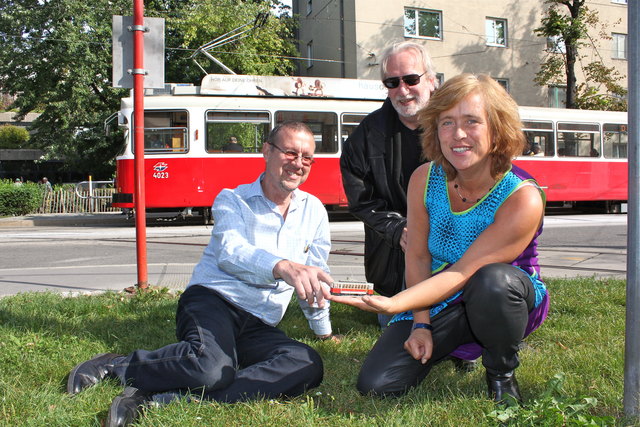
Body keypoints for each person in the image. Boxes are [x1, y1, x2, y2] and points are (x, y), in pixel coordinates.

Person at [66, 122, 336, 426]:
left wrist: (322, 329)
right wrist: (283, 266)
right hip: (213, 301)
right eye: (290, 152)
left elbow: (315, 275)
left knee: (306, 364)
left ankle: (161, 396)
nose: (298, 164)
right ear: (266, 152)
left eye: (307, 157)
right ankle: (117, 365)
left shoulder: (315, 211)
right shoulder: (232, 199)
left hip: (260, 321)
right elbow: (232, 252)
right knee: (210, 367)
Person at [331, 74, 549, 405]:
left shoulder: (522, 196)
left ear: (497, 128)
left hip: (501, 298)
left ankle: (500, 371)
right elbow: (417, 256)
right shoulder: (424, 178)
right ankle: (454, 345)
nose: (457, 135)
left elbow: (463, 272)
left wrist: (394, 303)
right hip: (437, 298)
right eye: (446, 122)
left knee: (491, 281)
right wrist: (421, 325)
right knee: (377, 383)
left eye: (471, 121)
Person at [340, 41, 437, 328]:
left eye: (410, 79)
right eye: (392, 82)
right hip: (393, 266)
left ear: (431, 80)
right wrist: (399, 230)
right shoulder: (365, 136)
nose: (402, 90)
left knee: (458, 333)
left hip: (453, 259)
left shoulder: (457, 126)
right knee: (399, 338)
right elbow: (362, 201)